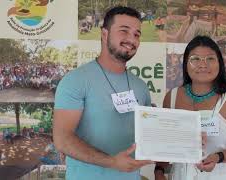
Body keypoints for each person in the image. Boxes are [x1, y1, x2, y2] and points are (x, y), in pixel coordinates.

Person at [53, 6, 152, 180]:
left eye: (137, 34)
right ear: (104, 34)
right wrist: (112, 162)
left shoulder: (141, 87)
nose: (132, 39)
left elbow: (148, 134)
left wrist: (187, 138)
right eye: (124, 31)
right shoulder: (75, 80)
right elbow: (62, 139)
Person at [155, 36, 226, 180]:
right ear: (185, 64)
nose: (203, 64)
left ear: (219, 63)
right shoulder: (171, 97)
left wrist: (218, 157)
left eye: (210, 59)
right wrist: (158, 170)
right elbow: (165, 144)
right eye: (195, 59)